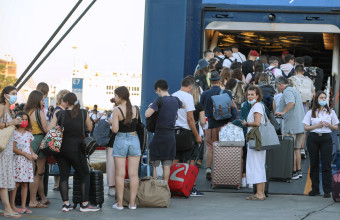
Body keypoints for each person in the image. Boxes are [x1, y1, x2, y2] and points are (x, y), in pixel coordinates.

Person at [48, 92, 99, 212]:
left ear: (65, 103)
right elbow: (90, 128)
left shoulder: (60, 113)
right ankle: (84, 204)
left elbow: (48, 129)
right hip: (76, 149)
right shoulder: (83, 113)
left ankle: (66, 204)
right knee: (84, 174)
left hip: (61, 150)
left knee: (64, 176)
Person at [200, 71, 237, 180]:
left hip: (210, 125)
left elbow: (201, 109)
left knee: (210, 147)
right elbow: (233, 107)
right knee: (223, 147)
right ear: (220, 81)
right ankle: (221, 170)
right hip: (224, 124)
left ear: (210, 82)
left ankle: (208, 169)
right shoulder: (226, 92)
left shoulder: (205, 94)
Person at [303, 91, 339, 198]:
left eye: (324, 98)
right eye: (321, 98)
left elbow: (336, 127)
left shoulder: (331, 112)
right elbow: (306, 127)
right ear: (317, 99)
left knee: (326, 164)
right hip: (313, 137)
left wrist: (329, 125)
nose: (323, 100)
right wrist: (316, 126)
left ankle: (327, 190)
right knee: (313, 163)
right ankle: (315, 189)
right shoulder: (310, 112)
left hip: (326, 138)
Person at [145, 80, 183, 182]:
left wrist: (151, 106)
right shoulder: (175, 100)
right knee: (166, 165)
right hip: (171, 136)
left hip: (159, 135)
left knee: (154, 164)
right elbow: (183, 105)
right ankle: (165, 188)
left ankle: (155, 187)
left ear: (158, 89)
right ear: (168, 88)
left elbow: (147, 114)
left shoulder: (159, 100)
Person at [110, 86, 141, 210]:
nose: (114, 97)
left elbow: (115, 130)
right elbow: (137, 124)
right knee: (134, 175)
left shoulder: (117, 110)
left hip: (121, 140)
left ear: (120, 96)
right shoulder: (135, 109)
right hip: (134, 140)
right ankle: (132, 204)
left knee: (120, 175)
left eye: (115, 95)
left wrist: (111, 122)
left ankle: (119, 204)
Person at [275, 77, 305, 180]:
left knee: (291, 149)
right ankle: (298, 171)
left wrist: (282, 112)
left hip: (291, 125)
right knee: (297, 149)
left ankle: (292, 171)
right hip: (300, 124)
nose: (277, 88)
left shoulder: (287, 91)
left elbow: (291, 103)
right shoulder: (295, 90)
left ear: (281, 85)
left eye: (277, 86)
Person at [0, 86, 23, 218]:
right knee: (2, 179)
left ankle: (7, 208)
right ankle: (8, 208)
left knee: (3, 178)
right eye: (13, 93)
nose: (15, 95)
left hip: (6, 149)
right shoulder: (2, 106)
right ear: (6, 95)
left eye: (16, 93)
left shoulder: (8, 109)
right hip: (2, 149)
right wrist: (12, 122)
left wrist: (14, 122)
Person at [25, 90, 49, 208]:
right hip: (38, 141)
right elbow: (46, 129)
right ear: (37, 100)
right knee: (37, 173)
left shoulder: (26, 112)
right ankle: (33, 201)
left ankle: (42, 198)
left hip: (27, 142)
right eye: (42, 100)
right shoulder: (39, 112)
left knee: (35, 172)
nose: (43, 101)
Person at [241, 86, 266, 200]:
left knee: (257, 165)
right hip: (257, 139)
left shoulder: (256, 106)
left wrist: (246, 124)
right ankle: (259, 193)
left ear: (257, 96)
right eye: (248, 94)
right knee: (258, 165)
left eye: (252, 94)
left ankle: (260, 193)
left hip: (256, 139)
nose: (250, 96)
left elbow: (257, 123)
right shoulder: (257, 106)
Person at [10, 111, 37, 215]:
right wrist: (25, 154)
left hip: (27, 162)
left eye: (26, 119)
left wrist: (33, 154)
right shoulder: (14, 133)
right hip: (17, 161)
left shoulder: (29, 133)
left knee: (25, 184)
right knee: (16, 184)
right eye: (22, 119)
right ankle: (12, 206)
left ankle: (23, 206)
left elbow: (29, 147)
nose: (24, 121)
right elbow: (13, 148)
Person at [173, 77, 202, 163]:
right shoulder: (188, 97)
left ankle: (172, 176)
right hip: (185, 133)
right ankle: (183, 177)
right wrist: (196, 135)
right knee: (187, 161)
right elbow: (190, 119)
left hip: (173, 132)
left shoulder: (173, 95)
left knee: (174, 159)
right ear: (189, 86)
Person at [50, 90, 70, 192]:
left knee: (60, 162)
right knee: (58, 162)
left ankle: (61, 183)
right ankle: (57, 184)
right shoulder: (59, 110)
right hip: (59, 139)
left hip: (61, 139)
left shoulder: (63, 109)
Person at [106, 98, 116, 197]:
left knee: (111, 163)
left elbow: (114, 128)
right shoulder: (133, 109)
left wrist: (111, 122)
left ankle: (112, 186)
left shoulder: (116, 110)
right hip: (130, 139)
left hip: (114, 140)